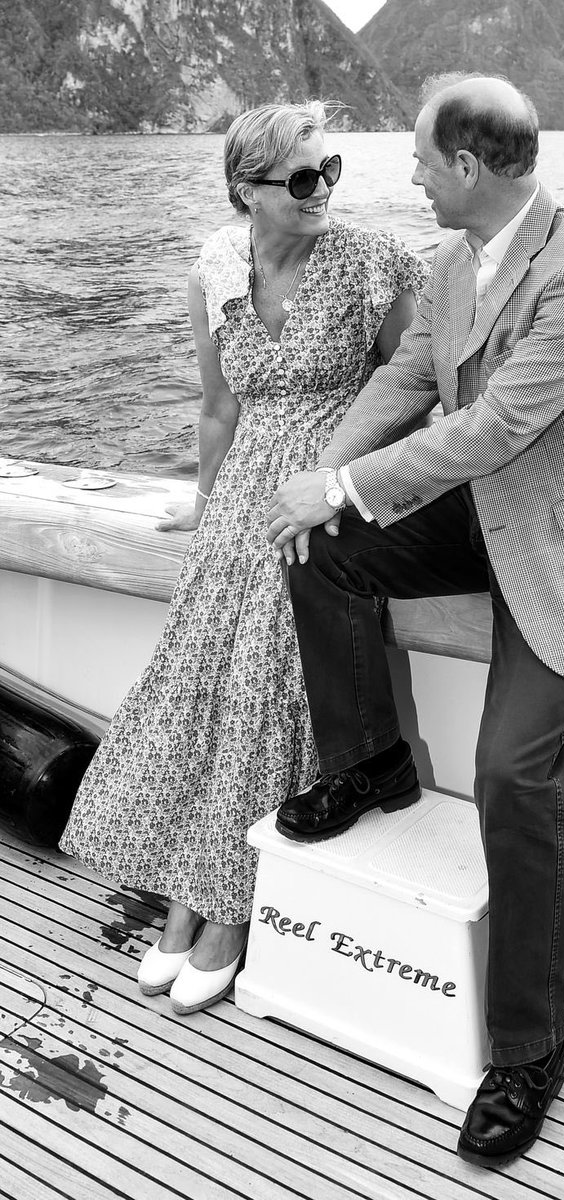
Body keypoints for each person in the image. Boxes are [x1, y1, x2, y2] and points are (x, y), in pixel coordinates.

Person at [264, 75, 564, 1166]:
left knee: (512, 771)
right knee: (323, 556)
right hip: (487, 516)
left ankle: (524, 1051)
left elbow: (495, 428)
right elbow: (411, 376)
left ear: (465, 167)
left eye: (419, 159)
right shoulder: (455, 264)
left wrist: (345, 485)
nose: (407, 175)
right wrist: (322, 479)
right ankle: (368, 764)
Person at [59, 100, 428, 1016]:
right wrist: (204, 503)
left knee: (264, 675)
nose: (323, 192)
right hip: (243, 496)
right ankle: (188, 889)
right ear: (246, 192)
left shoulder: (375, 260)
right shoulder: (217, 268)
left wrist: (344, 483)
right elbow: (219, 407)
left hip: (329, 493)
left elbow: (416, 391)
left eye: (330, 170)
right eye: (301, 179)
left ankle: (223, 908)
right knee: (194, 681)